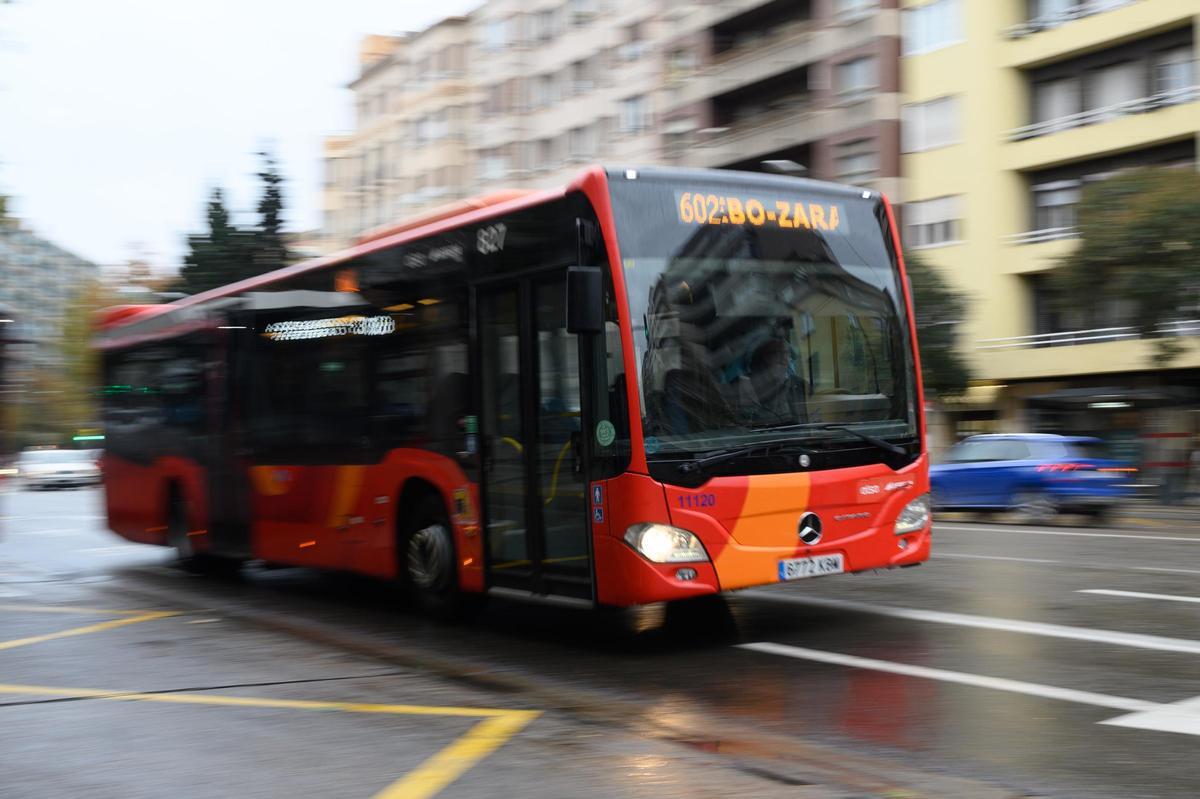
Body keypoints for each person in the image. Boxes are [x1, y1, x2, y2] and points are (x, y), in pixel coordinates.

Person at [747, 338, 806, 425]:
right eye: (778, 353)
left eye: (787, 353)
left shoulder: (801, 384)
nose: (784, 358)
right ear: (765, 357)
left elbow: (812, 418)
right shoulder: (747, 384)